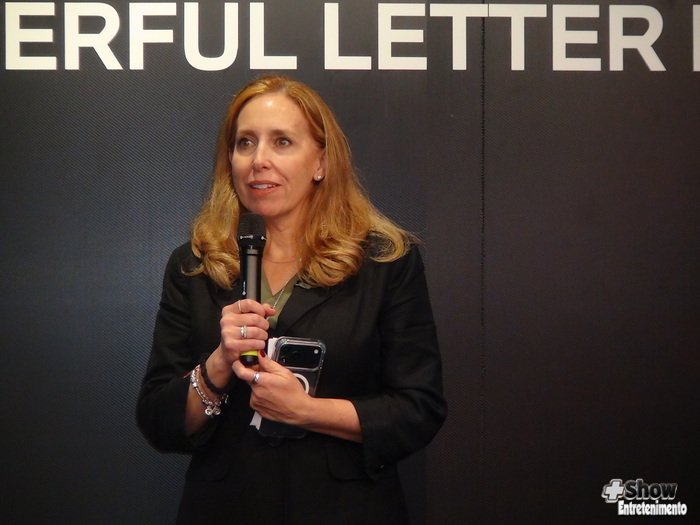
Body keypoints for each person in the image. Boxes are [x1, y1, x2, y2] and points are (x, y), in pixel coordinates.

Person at [136, 74, 447, 524]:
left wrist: (306, 411)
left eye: (282, 142)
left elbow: (419, 410)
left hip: (346, 510)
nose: (258, 160)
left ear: (321, 161)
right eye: (245, 143)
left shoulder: (384, 262)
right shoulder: (196, 265)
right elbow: (158, 421)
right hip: (226, 509)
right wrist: (218, 365)